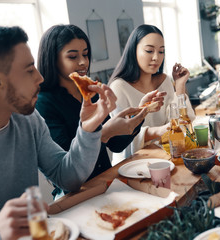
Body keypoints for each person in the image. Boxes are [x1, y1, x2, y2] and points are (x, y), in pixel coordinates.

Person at [0, 26, 117, 239]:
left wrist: (88, 128)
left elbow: (67, 178)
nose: (40, 78)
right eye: (29, 70)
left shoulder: (28, 120)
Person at [35, 24, 165, 198]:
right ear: (52, 59)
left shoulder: (91, 92)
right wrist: (106, 131)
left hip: (105, 182)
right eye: (73, 56)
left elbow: (116, 144)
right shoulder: (43, 103)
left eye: (86, 54)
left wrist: (141, 110)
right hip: (74, 194)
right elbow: (67, 163)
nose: (83, 62)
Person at [108, 24, 195, 165]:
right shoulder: (118, 87)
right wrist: (157, 131)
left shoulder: (164, 80)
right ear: (133, 50)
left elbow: (182, 122)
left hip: (164, 157)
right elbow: (120, 139)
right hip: (130, 164)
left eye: (161, 52)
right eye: (149, 51)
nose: (156, 57)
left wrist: (179, 86)